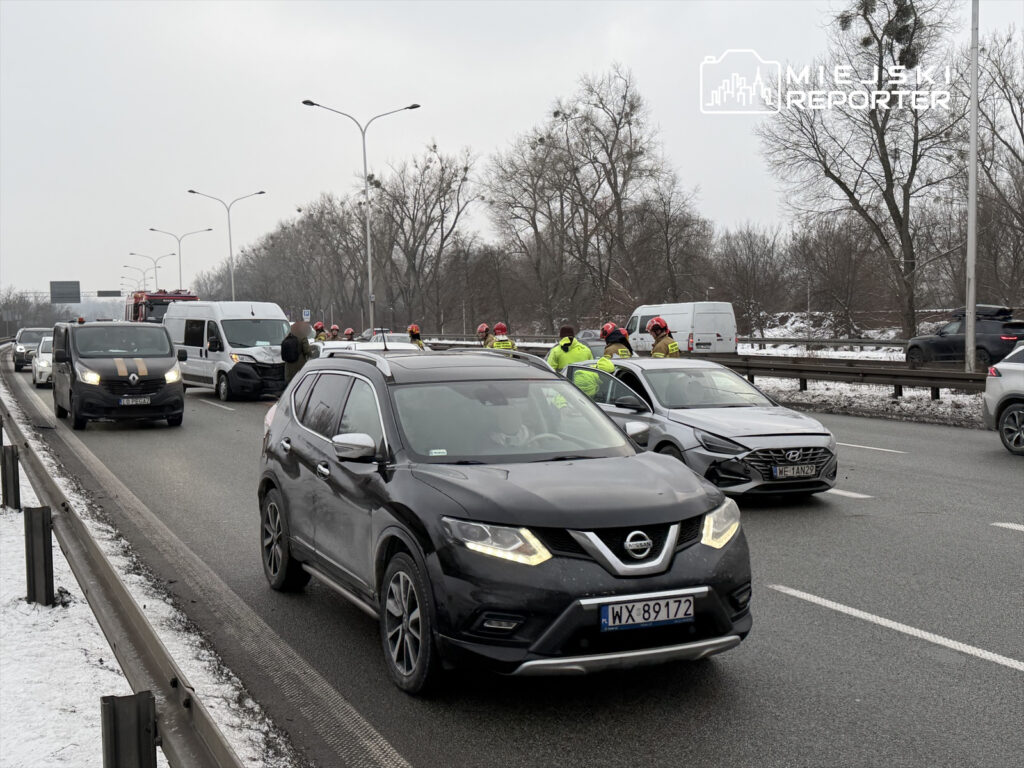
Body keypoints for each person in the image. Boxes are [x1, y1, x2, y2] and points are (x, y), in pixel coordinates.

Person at [282, 321, 315, 385]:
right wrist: (312, 356)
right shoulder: (302, 336)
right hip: (299, 366)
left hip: (288, 368)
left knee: (289, 386)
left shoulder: (287, 336)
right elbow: (307, 350)